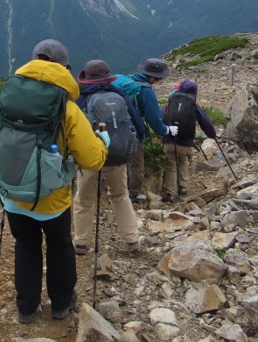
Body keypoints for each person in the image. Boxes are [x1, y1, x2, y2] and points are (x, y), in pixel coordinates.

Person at [0, 39, 108, 324]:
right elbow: (92, 160)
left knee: (25, 245)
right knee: (60, 244)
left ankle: (26, 308)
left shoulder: (7, 98)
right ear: (65, 68)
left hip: (13, 195)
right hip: (51, 199)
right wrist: (102, 142)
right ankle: (61, 304)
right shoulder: (67, 107)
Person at [72, 60, 145, 254]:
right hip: (118, 156)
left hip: (90, 158)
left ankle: (81, 242)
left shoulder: (81, 99)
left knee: (84, 200)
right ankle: (132, 240)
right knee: (120, 196)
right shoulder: (120, 96)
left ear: (86, 80)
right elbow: (138, 127)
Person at [126, 58, 178, 203]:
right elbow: (153, 118)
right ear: (153, 77)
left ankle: (114, 188)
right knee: (136, 163)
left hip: (114, 126)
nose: (159, 81)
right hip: (132, 129)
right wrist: (165, 130)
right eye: (159, 78)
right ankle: (132, 194)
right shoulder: (146, 90)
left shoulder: (129, 81)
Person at [161, 79, 217, 201]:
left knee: (170, 164)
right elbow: (206, 123)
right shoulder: (194, 106)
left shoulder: (170, 103)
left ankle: (170, 194)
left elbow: (161, 117)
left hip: (169, 141)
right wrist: (212, 135)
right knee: (182, 161)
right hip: (185, 143)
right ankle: (182, 189)